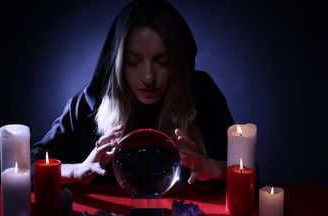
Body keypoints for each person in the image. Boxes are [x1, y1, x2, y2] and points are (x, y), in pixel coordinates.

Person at [30, 0, 235, 187]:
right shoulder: (92, 101)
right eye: (133, 62)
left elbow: (249, 173)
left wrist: (212, 168)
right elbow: (28, 169)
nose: (148, 77)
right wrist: (76, 170)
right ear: (118, 63)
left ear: (178, 63)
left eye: (162, 62)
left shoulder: (201, 94)